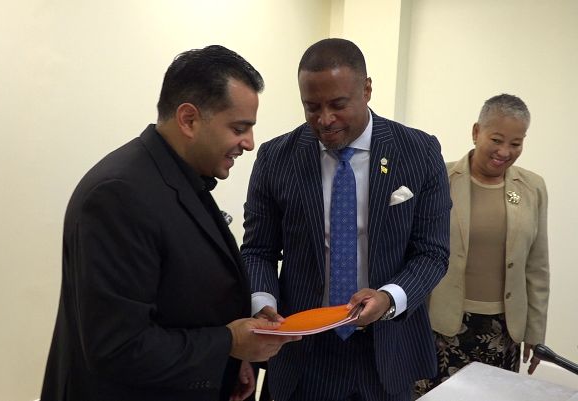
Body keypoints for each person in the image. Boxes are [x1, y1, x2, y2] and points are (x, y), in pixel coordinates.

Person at [40, 45, 300, 401]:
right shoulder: (118, 195)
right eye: (239, 128)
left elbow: (184, 299)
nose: (250, 143)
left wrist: (234, 360)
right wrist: (229, 343)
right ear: (189, 119)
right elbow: (118, 348)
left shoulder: (181, 176)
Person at [241, 38, 451, 401]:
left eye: (338, 105)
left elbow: (432, 253)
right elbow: (258, 250)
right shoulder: (276, 158)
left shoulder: (418, 151)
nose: (324, 120)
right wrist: (263, 305)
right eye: (312, 107)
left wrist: (389, 298)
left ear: (367, 89)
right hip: (302, 354)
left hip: (386, 353)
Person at [415, 94, 549, 395]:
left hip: (503, 331)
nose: (505, 152)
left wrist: (535, 333)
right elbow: (417, 253)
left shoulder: (532, 188)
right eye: (497, 139)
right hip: (442, 324)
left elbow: (537, 267)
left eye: (516, 144)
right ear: (477, 132)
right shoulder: (441, 178)